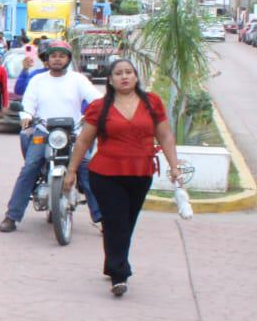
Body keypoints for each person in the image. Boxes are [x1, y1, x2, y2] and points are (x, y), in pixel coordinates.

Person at [63, 60, 182, 297]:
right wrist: (72, 171)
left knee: (126, 223)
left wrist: (174, 167)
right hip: (106, 174)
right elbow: (84, 140)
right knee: (116, 221)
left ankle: (112, 263)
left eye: (128, 72)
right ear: (110, 80)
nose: (124, 77)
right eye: (118, 73)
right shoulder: (99, 107)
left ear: (136, 77)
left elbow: (165, 136)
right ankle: (120, 274)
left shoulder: (152, 103)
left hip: (141, 172)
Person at [0, 40, 101, 233]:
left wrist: (91, 116)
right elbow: (28, 103)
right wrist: (26, 115)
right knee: (30, 167)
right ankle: (12, 216)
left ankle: (102, 218)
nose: (57, 59)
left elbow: (97, 100)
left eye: (61, 56)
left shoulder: (78, 80)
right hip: (44, 131)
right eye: (53, 56)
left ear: (68, 59)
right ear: (47, 59)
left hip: (73, 133)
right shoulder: (38, 80)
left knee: (86, 169)